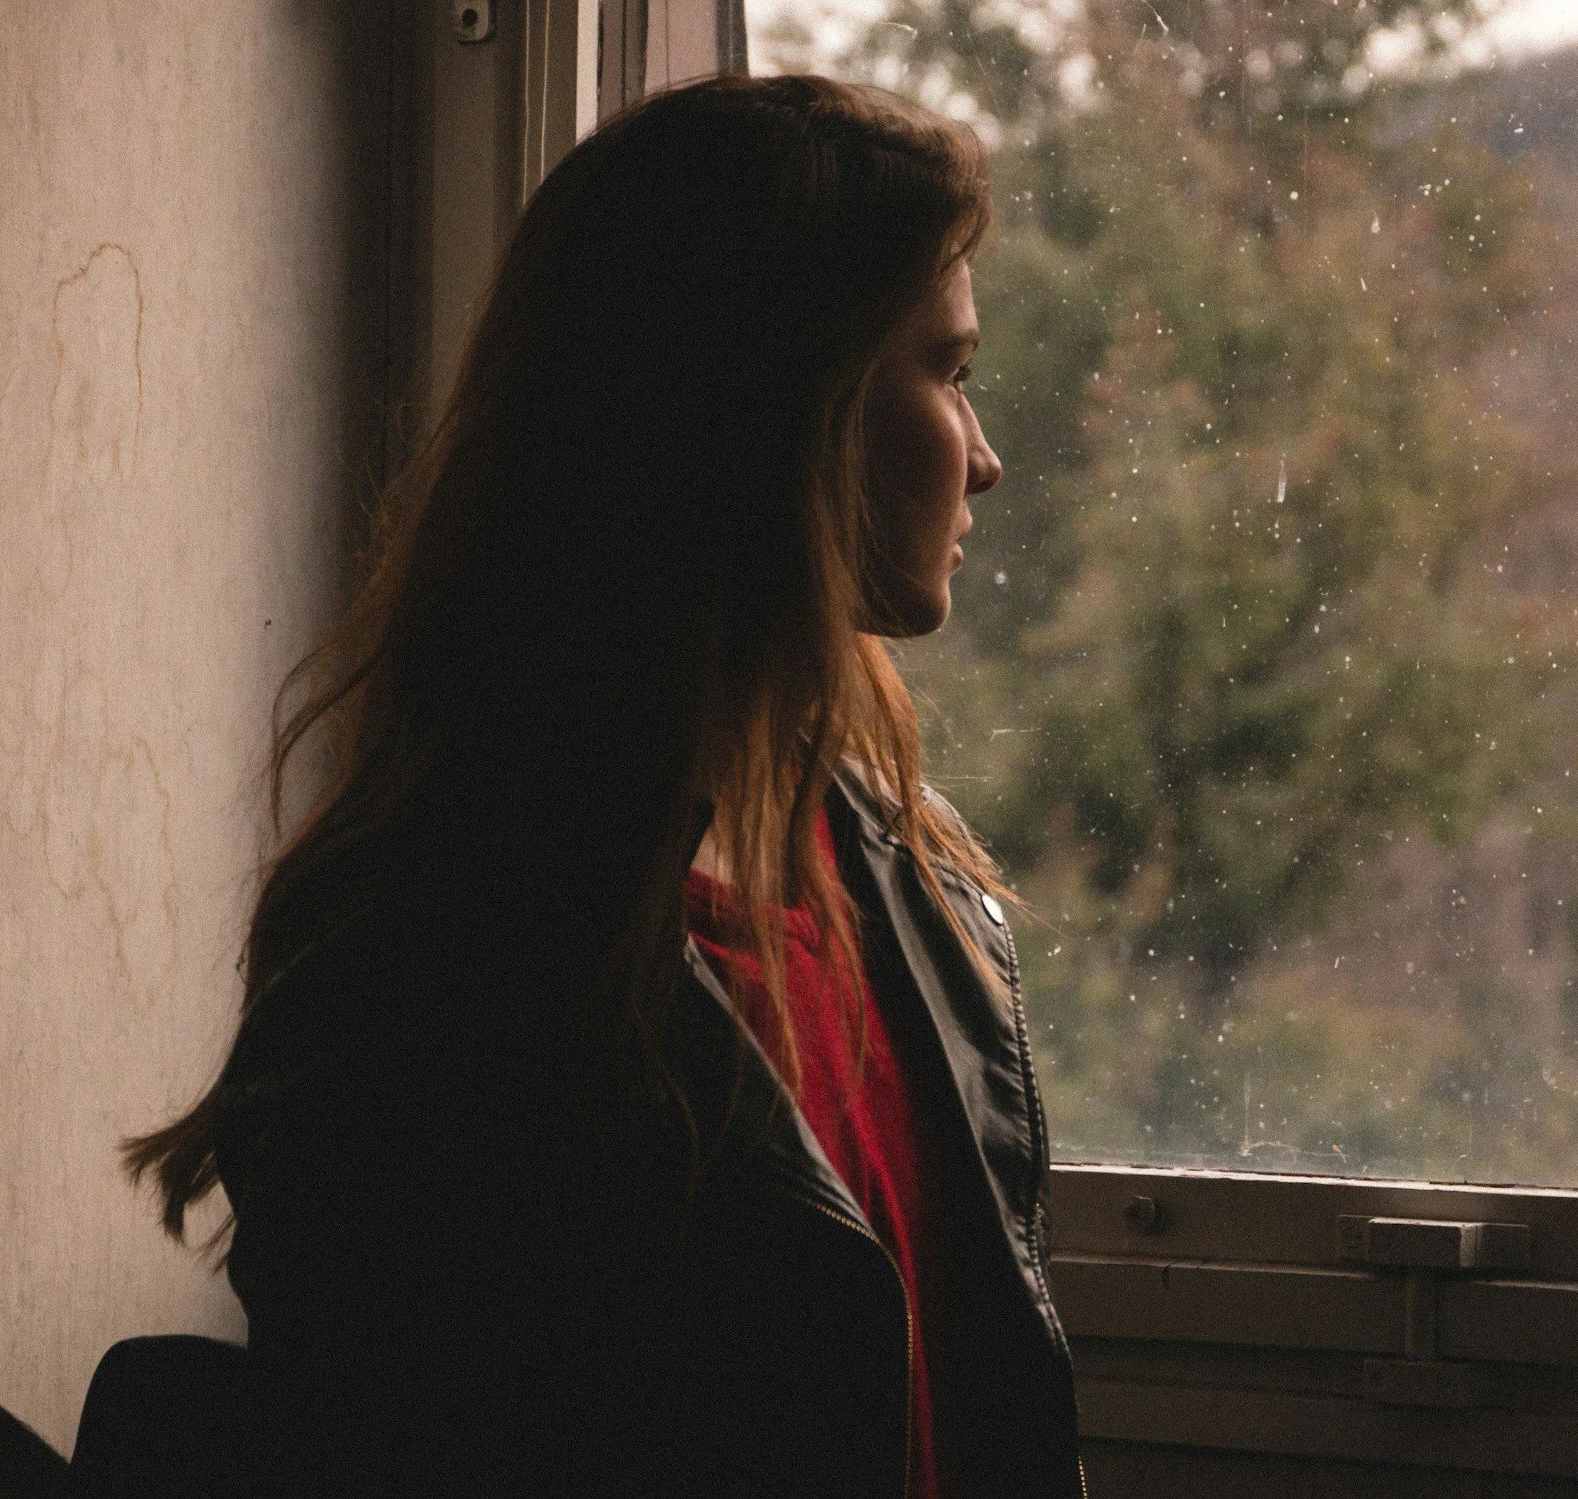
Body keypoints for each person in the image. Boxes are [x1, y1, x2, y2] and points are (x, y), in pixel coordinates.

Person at [121, 75, 1082, 1496]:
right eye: (947, 371)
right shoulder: (436, 961)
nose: (984, 459)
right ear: (785, 411)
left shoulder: (912, 884)